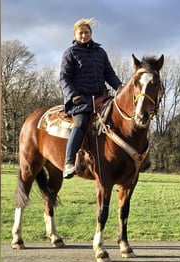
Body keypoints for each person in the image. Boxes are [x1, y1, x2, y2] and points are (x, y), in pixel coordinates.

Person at [60, 18, 122, 179]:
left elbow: (109, 74)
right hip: (80, 101)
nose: (84, 35)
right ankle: (68, 162)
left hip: (102, 97)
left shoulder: (100, 52)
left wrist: (120, 88)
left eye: (86, 32)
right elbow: (64, 78)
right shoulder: (70, 53)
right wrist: (73, 95)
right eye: (80, 33)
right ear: (75, 34)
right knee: (81, 123)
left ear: (91, 34)